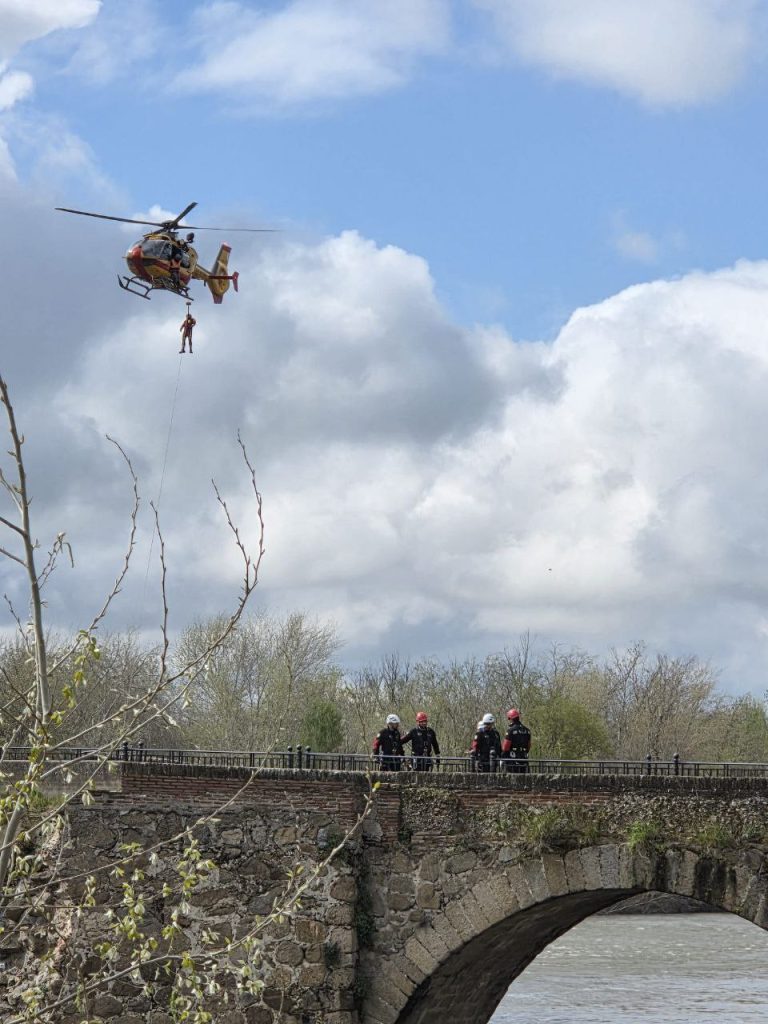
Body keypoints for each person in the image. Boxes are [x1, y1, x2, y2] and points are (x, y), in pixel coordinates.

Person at [502, 708, 531, 773]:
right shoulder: (527, 730)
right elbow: (528, 746)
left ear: (511, 719)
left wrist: (503, 757)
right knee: (525, 777)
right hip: (524, 759)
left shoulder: (511, 730)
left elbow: (505, 747)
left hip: (513, 760)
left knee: (512, 777)